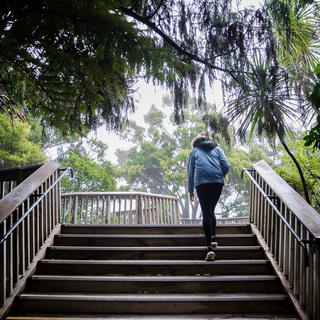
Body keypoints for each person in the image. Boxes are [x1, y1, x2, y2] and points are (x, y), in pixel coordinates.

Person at [187, 132, 230, 261]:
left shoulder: (194, 151)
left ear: (196, 142)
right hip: (217, 182)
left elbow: (190, 172)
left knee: (206, 212)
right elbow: (226, 166)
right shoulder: (217, 149)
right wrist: (219, 175)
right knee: (211, 210)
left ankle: (209, 249)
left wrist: (190, 190)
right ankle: (213, 237)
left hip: (202, 182)